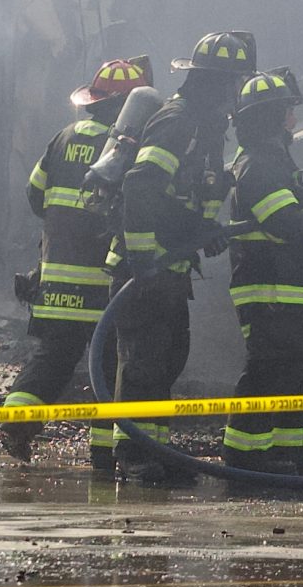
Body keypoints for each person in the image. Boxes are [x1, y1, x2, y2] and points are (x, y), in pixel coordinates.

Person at [109, 30, 257, 484]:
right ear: (218, 83)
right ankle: (132, 452)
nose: (238, 94)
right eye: (235, 83)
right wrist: (143, 260)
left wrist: (203, 232)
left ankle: (155, 447)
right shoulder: (179, 122)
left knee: (169, 357)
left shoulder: (206, 127)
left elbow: (186, 196)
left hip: (168, 267)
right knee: (144, 362)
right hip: (145, 267)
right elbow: (140, 186)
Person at [0, 56, 153, 464]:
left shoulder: (63, 137)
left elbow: (35, 195)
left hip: (56, 277)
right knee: (109, 364)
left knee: (53, 356)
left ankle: (16, 422)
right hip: (103, 282)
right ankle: (103, 453)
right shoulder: (126, 147)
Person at [221, 67, 303, 476]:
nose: (294, 119)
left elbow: (295, 213)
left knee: (301, 370)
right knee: (270, 370)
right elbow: (286, 225)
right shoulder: (258, 165)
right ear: (271, 117)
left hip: (288, 288)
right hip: (268, 288)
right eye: (287, 112)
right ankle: (245, 456)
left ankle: (289, 453)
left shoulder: (273, 160)